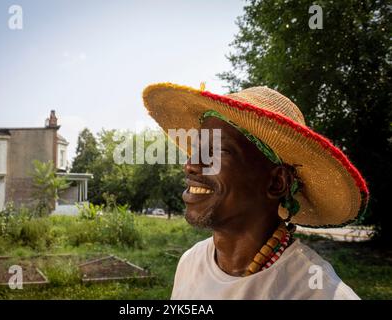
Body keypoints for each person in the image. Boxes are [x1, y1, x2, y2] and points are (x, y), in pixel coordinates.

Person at [142, 83, 369, 299]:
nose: (191, 165)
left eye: (218, 150)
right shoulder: (190, 263)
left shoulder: (317, 292)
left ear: (277, 183)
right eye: (197, 149)